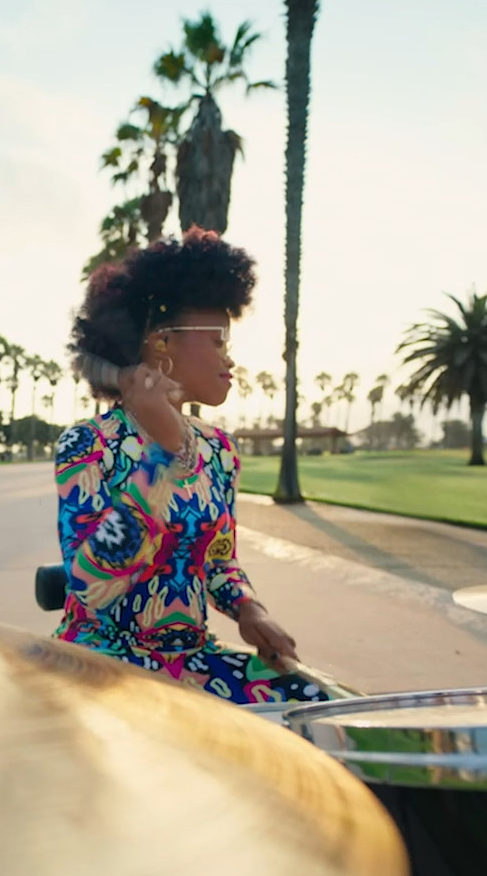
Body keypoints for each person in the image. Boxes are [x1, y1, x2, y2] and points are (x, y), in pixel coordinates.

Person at [53, 231, 326, 705]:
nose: (229, 357)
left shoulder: (220, 450)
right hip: (103, 668)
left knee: (315, 704)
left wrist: (248, 608)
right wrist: (163, 457)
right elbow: (92, 586)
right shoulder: (87, 444)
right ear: (162, 344)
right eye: (218, 340)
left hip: (192, 662)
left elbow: (218, 561)